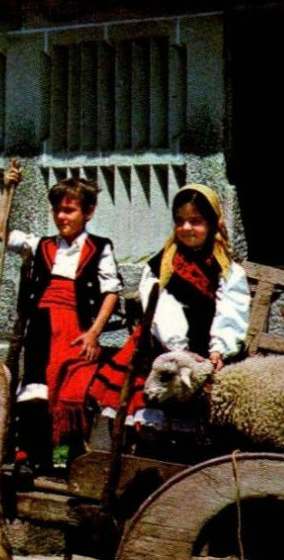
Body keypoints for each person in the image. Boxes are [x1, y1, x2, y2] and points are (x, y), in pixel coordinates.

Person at [85, 182, 251, 432]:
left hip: (209, 355)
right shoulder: (160, 266)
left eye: (195, 221)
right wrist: (179, 349)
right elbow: (160, 308)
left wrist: (219, 350)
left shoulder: (228, 271)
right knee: (151, 419)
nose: (186, 228)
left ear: (213, 223)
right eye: (180, 221)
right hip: (161, 348)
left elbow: (231, 311)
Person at [0, 161, 122, 467]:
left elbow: (111, 292)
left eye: (70, 210)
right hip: (41, 326)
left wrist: (93, 333)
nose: (62, 217)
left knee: (73, 390)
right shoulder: (41, 244)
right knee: (36, 389)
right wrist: (7, 188)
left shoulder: (100, 248)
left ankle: (72, 459)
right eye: (58, 210)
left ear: (87, 213)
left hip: (77, 328)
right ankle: (34, 458)